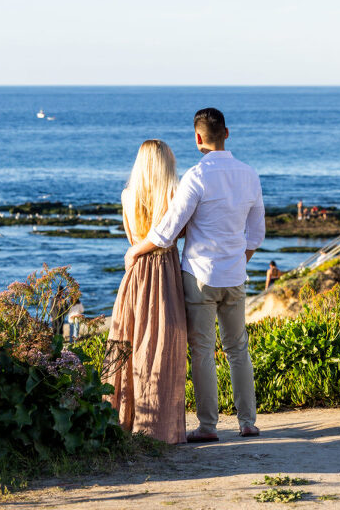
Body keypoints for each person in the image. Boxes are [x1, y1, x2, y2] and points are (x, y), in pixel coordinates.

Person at [125, 108, 265, 441]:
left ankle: (208, 426)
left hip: (200, 276)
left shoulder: (196, 176)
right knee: (238, 349)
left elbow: (166, 231)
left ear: (198, 138)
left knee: (203, 351)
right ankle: (247, 422)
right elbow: (256, 233)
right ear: (226, 133)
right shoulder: (249, 174)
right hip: (235, 275)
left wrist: (136, 250)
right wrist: (238, 261)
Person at [105, 139, 188, 444]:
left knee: (128, 341)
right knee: (161, 346)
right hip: (165, 272)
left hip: (136, 271)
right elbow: (179, 232)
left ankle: (124, 419)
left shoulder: (127, 195)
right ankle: (160, 426)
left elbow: (131, 235)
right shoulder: (174, 193)